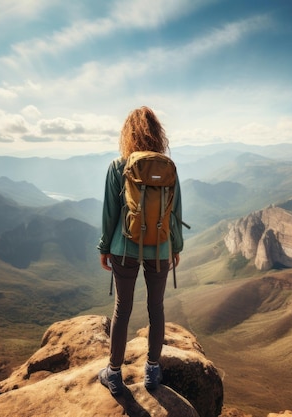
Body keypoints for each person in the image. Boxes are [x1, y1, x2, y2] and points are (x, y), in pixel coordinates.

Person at [97, 106, 184, 396]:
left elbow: (110, 213)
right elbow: (174, 212)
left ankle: (113, 373)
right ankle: (152, 371)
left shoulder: (117, 165)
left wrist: (105, 247)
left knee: (122, 309)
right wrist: (176, 246)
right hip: (160, 248)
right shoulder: (168, 166)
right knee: (156, 308)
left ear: (127, 134)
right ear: (158, 134)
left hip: (124, 248)